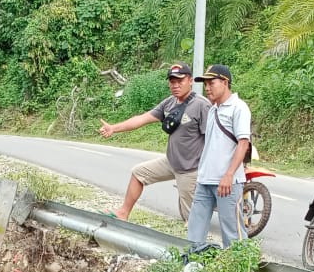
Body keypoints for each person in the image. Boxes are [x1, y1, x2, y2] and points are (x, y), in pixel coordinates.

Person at [98, 63, 206, 220]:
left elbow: (213, 139)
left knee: (190, 219)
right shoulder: (169, 103)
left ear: (190, 81)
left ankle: (197, 241)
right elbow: (142, 119)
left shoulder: (201, 105)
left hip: (190, 169)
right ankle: (123, 213)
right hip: (171, 162)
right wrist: (114, 128)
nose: (175, 85)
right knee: (138, 173)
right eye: (172, 81)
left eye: (180, 81)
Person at [186, 64, 251, 249]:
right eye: (205, 84)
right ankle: (192, 267)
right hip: (205, 179)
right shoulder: (213, 109)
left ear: (225, 82)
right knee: (194, 232)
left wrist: (229, 174)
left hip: (227, 183)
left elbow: (243, 142)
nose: (207, 88)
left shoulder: (238, 108)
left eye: (211, 83)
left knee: (233, 234)